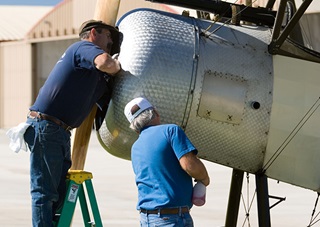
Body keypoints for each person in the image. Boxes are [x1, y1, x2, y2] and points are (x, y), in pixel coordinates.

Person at [23, 19, 122, 226]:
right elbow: (105, 63)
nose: (110, 44)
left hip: (59, 131)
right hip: (46, 127)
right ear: (93, 33)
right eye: (108, 38)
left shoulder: (95, 76)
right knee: (45, 193)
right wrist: (117, 66)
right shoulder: (83, 48)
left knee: (59, 194)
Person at [124, 97, 210, 227]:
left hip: (147, 218)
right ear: (156, 113)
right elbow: (190, 165)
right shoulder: (171, 131)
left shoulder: (135, 147)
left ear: (135, 126)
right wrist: (204, 178)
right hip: (171, 218)